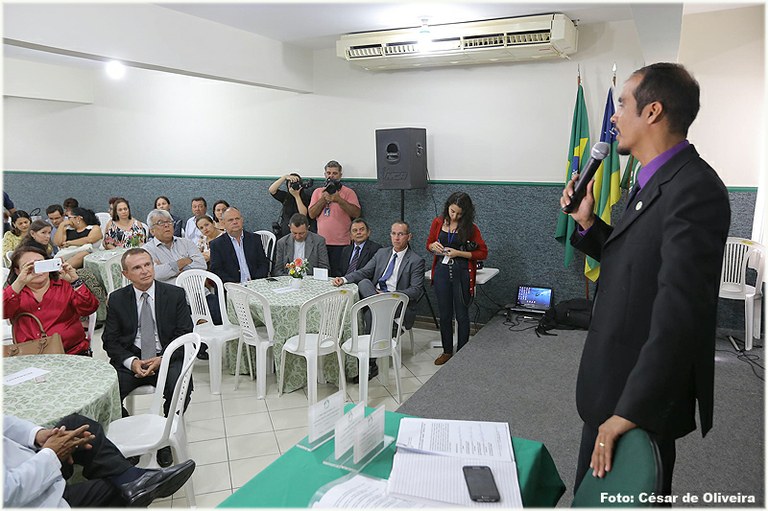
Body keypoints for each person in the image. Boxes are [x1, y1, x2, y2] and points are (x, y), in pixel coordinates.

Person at [560, 63, 730, 496]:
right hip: (612, 384)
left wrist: (630, 411)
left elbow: (681, 311)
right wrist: (587, 222)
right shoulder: (649, 180)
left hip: (637, 398)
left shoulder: (695, 189)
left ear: (652, 111)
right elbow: (634, 264)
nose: (614, 117)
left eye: (622, 104)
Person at [102, 248, 195, 467]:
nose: (145, 271)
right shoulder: (117, 299)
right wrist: (131, 362)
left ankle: (164, 438)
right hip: (131, 358)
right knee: (108, 395)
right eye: (137, 267)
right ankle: (128, 437)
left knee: (181, 386)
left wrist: (163, 359)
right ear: (126, 274)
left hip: (166, 355)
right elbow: (110, 341)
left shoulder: (174, 294)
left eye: (148, 265)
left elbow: (185, 333)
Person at [3, 413, 195, 507]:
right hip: (30, 499)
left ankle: (133, 479)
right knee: (116, 491)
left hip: (26, 462)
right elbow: (8, 493)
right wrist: (51, 454)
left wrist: (38, 434)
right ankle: (131, 484)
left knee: (75, 425)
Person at [332, 221, 425, 380]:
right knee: (363, 283)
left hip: (396, 302)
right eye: (393, 233)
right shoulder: (382, 253)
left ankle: (369, 363)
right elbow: (364, 272)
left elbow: (416, 290)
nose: (396, 238)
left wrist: (391, 295)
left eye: (401, 234)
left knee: (369, 314)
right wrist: (344, 279)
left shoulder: (416, 260)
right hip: (377, 296)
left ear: (409, 236)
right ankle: (369, 357)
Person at [427, 192, 488, 365]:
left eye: (459, 213)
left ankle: (462, 352)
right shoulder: (438, 222)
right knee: (445, 314)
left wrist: (459, 253)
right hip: (441, 271)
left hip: (462, 272)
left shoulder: (471, 228)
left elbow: (482, 253)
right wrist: (433, 247)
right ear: (447, 207)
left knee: (462, 315)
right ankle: (447, 351)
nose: (454, 216)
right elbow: (429, 243)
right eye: (452, 211)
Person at [3, 246, 99, 355]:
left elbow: (89, 308)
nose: (36, 271)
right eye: (29, 267)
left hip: (71, 352)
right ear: (17, 271)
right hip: (30, 355)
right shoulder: (14, 292)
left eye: (40, 264)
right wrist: (19, 282)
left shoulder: (64, 285)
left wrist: (75, 281)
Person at [308, 160, 361, 277]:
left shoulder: (348, 192)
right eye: (328, 173)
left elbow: (356, 213)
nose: (331, 176)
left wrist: (338, 200)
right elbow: (311, 214)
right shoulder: (317, 192)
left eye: (334, 173)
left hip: (342, 243)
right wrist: (323, 199)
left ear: (340, 175)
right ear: (325, 175)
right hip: (321, 243)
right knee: (322, 275)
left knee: (338, 274)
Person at [142, 209, 206, 286]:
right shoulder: (146, 250)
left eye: (169, 222)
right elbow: (156, 274)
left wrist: (170, 270)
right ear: (152, 231)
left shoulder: (187, 243)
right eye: (160, 223)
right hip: (170, 295)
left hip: (198, 291)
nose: (166, 225)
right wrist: (184, 261)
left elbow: (202, 265)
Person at [209, 207, 269, 284]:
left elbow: (263, 263)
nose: (235, 222)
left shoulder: (254, 239)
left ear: (242, 220)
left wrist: (256, 282)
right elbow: (216, 270)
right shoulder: (217, 244)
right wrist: (235, 285)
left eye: (237, 219)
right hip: (232, 287)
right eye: (230, 220)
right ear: (223, 223)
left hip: (256, 284)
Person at [269, 173, 314, 238]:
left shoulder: (306, 197)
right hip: (286, 231)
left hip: (300, 232)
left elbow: (303, 214)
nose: (293, 185)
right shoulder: (286, 197)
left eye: (296, 183)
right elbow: (271, 190)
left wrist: (297, 196)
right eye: (291, 183)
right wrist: (284, 177)